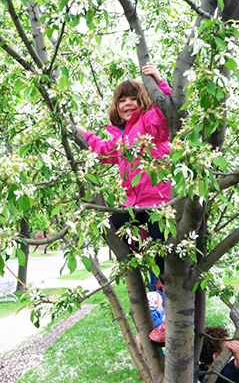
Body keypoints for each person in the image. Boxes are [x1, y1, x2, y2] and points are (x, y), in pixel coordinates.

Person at [74, 62, 172, 275]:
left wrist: (159, 82)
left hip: (160, 203)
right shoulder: (121, 137)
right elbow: (102, 151)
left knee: (163, 260)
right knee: (112, 223)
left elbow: (166, 112)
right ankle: (144, 253)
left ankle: (164, 293)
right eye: (122, 100)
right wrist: (82, 134)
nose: (127, 104)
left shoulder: (148, 121)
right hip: (134, 206)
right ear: (116, 105)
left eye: (133, 98)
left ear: (144, 100)